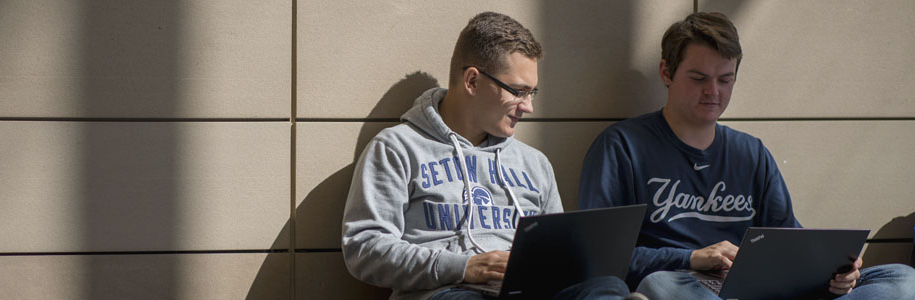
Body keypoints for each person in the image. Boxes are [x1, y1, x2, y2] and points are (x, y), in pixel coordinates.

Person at [577, 11, 915, 300]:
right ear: (667, 72)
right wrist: (692, 257)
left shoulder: (750, 152)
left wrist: (835, 270)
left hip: (759, 287)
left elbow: (789, 242)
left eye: (726, 79)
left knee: (902, 279)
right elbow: (599, 259)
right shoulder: (622, 146)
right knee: (662, 285)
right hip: (686, 282)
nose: (714, 92)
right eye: (699, 79)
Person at [342, 11, 644, 300]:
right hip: (444, 292)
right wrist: (462, 267)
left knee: (607, 288)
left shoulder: (534, 163)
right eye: (518, 91)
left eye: (532, 93)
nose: (528, 107)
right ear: (472, 81)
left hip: (528, 293)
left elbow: (555, 254)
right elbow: (364, 248)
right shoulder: (398, 149)